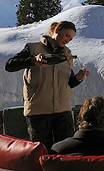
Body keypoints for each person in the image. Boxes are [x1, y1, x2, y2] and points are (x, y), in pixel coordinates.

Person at [5, 21, 90, 151]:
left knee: (66, 152)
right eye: (66, 35)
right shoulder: (33, 49)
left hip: (63, 111)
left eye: (71, 38)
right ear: (57, 30)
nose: (68, 40)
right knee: (42, 152)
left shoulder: (67, 55)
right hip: (38, 112)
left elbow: (66, 84)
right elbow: (9, 65)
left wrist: (78, 78)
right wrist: (33, 61)